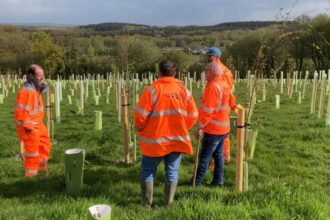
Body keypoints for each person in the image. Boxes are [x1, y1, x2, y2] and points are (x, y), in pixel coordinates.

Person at [134, 60, 198, 207]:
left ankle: (146, 205)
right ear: (175, 73)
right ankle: (168, 205)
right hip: (177, 140)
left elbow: (140, 115)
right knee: (172, 171)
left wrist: (141, 128)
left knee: (148, 171)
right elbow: (194, 114)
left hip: (154, 141)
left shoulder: (152, 90)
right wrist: (183, 127)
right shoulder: (184, 91)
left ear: (159, 72)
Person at [194, 61, 236, 187]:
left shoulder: (213, 87)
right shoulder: (225, 84)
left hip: (213, 129)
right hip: (224, 127)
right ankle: (218, 181)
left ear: (212, 72)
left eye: (206, 71)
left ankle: (196, 183)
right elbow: (232, 101)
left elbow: (208, 111)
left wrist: (201, 127)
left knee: (204, 156)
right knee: (218, 155)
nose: (204, 74)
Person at [15, 64, 51, 177]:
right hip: (29, 127)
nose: (42, 78)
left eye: (42, 75)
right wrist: (28, 127)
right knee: (32, 153)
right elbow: (22, 112)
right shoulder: (27, 91)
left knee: (45, 145)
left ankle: (41, 170)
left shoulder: (36, 90)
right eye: (39, 76)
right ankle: (31, 176)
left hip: (39, 124)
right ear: (31, 76)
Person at [206, 47, 235, 163]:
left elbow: (229, 89)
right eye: (207, 56)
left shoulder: (221, 70)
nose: (208, 58)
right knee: (223, 131)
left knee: (216, 131)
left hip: (219, 104)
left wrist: (231, 104)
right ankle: (224, 155)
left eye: (210, 56)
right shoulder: (221, 69)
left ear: (217, 56)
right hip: (221, 103)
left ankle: (217, 158)